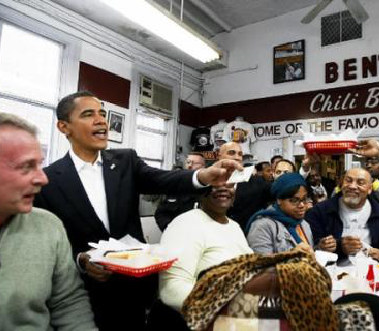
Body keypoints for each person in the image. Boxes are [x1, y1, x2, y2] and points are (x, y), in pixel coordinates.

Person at [34, 91, 242, 331]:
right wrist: (80, 260)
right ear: (64, 127)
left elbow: (162, 180)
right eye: (88, 114)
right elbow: (49, 246)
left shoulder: (125, 161)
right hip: (84, 297)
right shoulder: (49, 181)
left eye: (102, 113)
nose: (101, 120)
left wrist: (202, 176)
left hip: (133, 292)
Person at [0, 112, 97, 330]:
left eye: (40, 164)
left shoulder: (49, 226)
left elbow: (68, 302)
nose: (43, 178)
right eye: (26, 166)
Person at [159, 184, 254, 311]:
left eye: (230, 184)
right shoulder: (186, 224)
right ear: (201, 192)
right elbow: (172, 291)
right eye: (215, 183)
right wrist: (233, 307)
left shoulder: (234, 226)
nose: (224, 187)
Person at [305, 168, 379, 262]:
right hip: (330, 277)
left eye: (360, 183)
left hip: (372, 275)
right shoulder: (319, 212)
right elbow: (308, 248)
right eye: (348, 180)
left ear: (370, 189)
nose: (352, 186)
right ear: (341, 184)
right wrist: (337, 247)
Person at [246, 173, 317, 254]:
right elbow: (260, 263)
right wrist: (291, 256)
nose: (302, 205)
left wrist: (318, 248)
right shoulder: (262, 226)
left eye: (304, 199)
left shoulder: (303, 224)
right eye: (294, 200)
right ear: (279, 200)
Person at [220, 142, 273, 229]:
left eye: (240, 154)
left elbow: (281, 191)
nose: (237, 157)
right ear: (220, 156)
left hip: (246, 235)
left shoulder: (257, 183)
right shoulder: (206, 181)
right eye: (232, 153)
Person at [154, 153, 206, 231]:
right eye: (188, 162)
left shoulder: (209, 189)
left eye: (195, 163)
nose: (190, 165)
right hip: (177, 234)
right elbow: (161, 212)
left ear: (203, 167)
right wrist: (168, 227)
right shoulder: (175, 188)